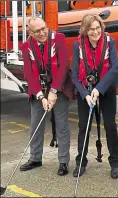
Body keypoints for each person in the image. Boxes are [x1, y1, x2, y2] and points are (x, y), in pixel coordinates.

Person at [20, 16, 74, 176]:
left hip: (60, 86)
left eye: (44, 28)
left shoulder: (58, 39)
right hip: (39, 89)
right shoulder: (26, 46)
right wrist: (41, 97)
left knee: (62, 126)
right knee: (36, 125)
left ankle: (63, 161)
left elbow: (64, 65)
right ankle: (35, 158)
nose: (42, 33)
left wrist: (54, 91)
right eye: (37, 31)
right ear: (30, 32)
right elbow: (29, 74)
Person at [71, 13, 118, 179]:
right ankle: (81, 162)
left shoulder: (110, 42)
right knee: (83, 126)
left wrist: (99, 89)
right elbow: (75, 73)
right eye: (91, 29)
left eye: (97, 28)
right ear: (85, 30)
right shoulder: (77, 45)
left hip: (105, 88)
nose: (95, 32)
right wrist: (85, 93)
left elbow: (115, 68)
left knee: (110, 125)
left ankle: (115, 162)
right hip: (86, 90)